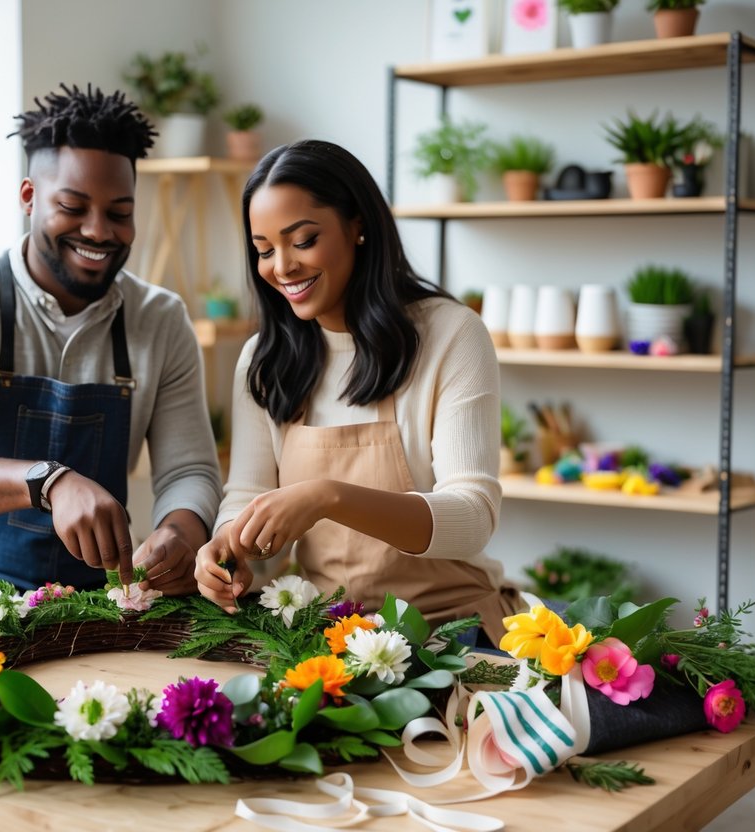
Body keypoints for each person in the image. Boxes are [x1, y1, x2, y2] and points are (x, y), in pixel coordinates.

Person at [0, 84, 222, 597]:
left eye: (120, 212)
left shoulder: (160, 319)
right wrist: (48, 481)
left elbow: (189, 468)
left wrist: (181, 530)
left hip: (99, 608)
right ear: (29, 197)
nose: (99, 231)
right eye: (73, 206)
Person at [194, 139, 519, 643]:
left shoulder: (451, 335)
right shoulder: (264, 358)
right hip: (323, 634)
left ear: (358, 226)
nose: (281, 267)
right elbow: (248, 495)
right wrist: (227, 548)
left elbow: (473, 516)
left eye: (302, 240)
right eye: (263, 250)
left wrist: (328, 497)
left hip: (451, 632)